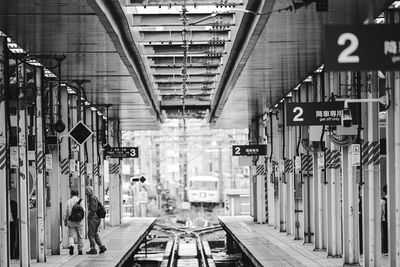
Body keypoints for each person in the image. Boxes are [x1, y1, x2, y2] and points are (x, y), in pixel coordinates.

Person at [85, 186, 107, 254]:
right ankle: (101, 246)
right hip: (96, 217)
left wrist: (89, 217)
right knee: (95, 233)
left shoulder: (92, 198)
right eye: (86, 191)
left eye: (88, 191)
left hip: (93, 218)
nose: (86, 192)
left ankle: (93, 249)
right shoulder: (94, 197)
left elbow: (93, 209)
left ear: (91, 191)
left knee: (90, 234)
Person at [64, 189, 85, 255]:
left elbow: (65, 213)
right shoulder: (81, 201)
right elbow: (84, 210)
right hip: (79, 221)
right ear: (78, 194)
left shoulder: (68, 201)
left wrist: (65, 220)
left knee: (71, 236)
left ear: (71, 194)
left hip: (71, 221)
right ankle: (80, 250)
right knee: (80, 236)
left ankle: (71, 246)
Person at [381, 184, 388, 254]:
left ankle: (386, 250)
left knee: (385, 235)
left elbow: (381, 212)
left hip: (385, 220)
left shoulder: (382, 200)